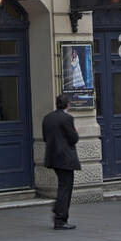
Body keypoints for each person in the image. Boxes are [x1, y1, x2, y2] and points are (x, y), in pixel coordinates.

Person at [43, 93, 80, 229]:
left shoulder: (47, 118)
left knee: (63, 186)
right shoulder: (67, 118)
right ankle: (60, 218)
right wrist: (75, 132)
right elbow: (74, 138)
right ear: (68, 105)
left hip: (53, 157)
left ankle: (58, 210)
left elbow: (46, 137)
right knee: (66, 187)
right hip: (65, 158)